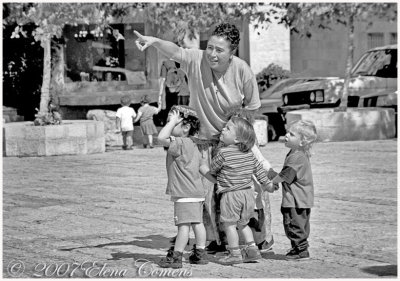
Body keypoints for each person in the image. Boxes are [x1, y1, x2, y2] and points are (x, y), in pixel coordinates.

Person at [134, 22, 274, 253]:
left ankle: (257, 238)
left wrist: (241, 136)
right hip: (203, 141)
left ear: (232, 52)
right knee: (204, 192)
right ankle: (212, 240)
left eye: (219, 50)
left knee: (248, 189)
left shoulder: (242, 70)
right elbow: (175, 51)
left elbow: (252, 107)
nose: (212, 54)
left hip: (233, 141)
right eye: (209, 47)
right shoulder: (196, 59)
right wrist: (155, 41)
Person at [209, 116, 273, 265]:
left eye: (228, 128)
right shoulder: (249, 154)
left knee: (229, 225)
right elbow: (260, 172)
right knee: (243, 223)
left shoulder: (223, 153)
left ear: (237, 139)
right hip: (248, 194)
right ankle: (252, 250)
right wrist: (268, 185)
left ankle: (235, 253)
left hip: (231, 195)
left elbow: (213, 169)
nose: (223, 129)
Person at [157, 105, 214, 268]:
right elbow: (203, 167)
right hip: (197, 192)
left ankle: (176, 257)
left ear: (186, 127)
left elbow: (161, 138)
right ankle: (200, 254)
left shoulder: (180, 143)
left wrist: (172, 121)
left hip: (184, 194)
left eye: (172, 123)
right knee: (198, 223)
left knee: (183, 227)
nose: (168, 125)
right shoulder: (196, 144)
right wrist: (214, 179)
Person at [267, 120, 318, 260]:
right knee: (299, 223)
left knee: (293, 224)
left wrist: (272, 182)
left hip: (295, 199)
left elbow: (286, 175)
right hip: (302, 198)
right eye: (287, 132)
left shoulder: (296, 156)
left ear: (302, 142)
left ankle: (301, 250)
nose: (286, 135)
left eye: (292, 134)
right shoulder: (297, 153)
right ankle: (299, 248)